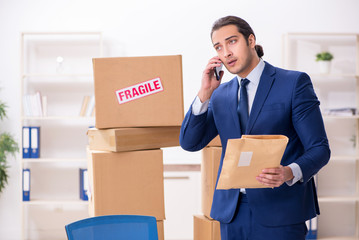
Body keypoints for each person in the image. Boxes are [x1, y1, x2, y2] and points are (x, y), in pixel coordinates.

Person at [179, 16, 330, 240]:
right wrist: (204, 94)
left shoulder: (293, 83)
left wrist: (289, 172)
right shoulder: (220, 95)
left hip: (281, 210)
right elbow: (190, 142)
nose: (226, 52)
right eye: (218, 47)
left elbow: (320, 149)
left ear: (250, 40)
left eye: (232, 42)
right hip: (233, 212)